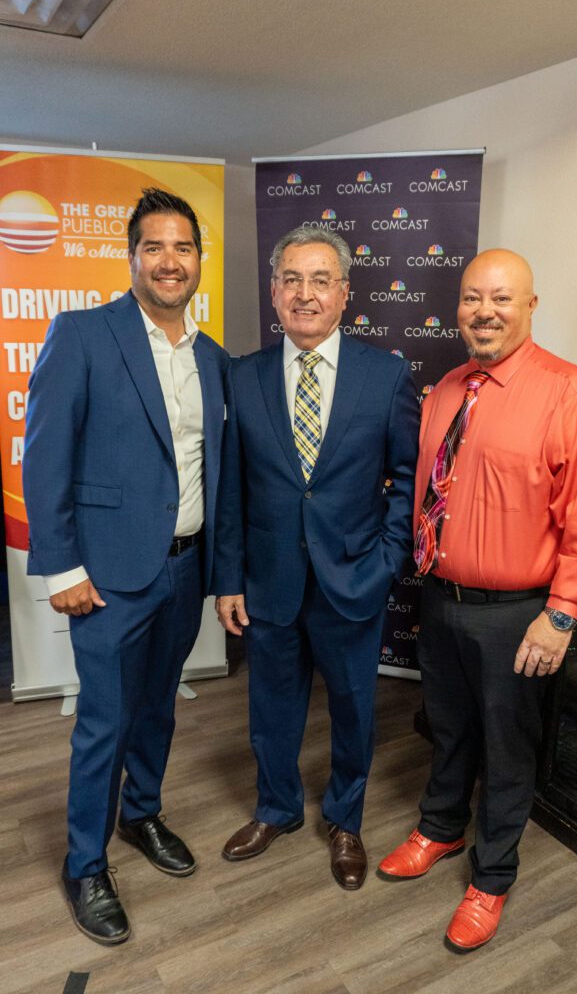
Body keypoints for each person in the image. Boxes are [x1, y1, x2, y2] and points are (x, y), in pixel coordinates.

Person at [378, 249, 577, 950]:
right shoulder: (448, 388)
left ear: (530, 307)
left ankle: (490, 878)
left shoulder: (572, 392)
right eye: (470, 298)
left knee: (509, 750)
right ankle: (440, 829)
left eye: (501, 300)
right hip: (443, 599)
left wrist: (560, 615)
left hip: (521, 614)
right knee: (447, 726)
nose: (483, 312)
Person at [22, 188, 232, 945]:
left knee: (158, 710)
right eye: (154, 247)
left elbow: (214, 468)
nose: (169, 261)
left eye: (183, 248)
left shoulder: (211, 358)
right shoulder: (82, 334)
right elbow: (43, 457)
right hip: (106, 575)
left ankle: (141, 814)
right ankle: (85, 863)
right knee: (103, 722)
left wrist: (221, 569)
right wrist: (61, 567)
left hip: (183, 568)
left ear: (198, 261)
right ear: (132, 256)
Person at [213, 225, 419, 889]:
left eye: (319, 280)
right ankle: (275, 808)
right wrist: (227, 580)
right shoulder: (241, 377)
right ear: (274, 293)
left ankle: (345, 820)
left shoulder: (384, 376)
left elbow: (410, 481)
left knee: (355, 709)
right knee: (270, 708)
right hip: (267, 582)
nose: (305, 294)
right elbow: (230, 489)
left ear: (344, 295)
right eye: (292, 280)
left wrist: (386, 558)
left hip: (352, 579)